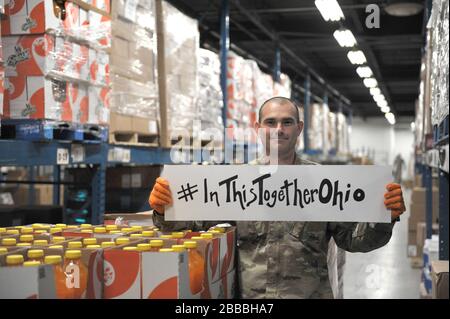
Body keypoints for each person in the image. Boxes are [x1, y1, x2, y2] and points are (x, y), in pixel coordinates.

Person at [149, 97, 406, 299]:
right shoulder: (237, 182)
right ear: (258, 129)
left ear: (299, 128)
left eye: (287, 122)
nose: (278, 129)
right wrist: (165, 207)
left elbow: (353, 240)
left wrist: (385, 216)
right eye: (270, 122)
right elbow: (194, 224)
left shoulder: (324, 183)